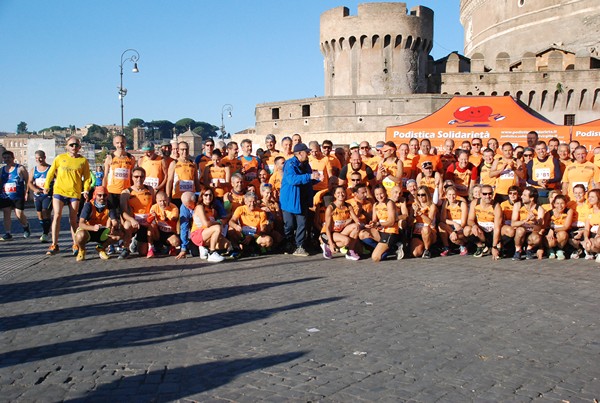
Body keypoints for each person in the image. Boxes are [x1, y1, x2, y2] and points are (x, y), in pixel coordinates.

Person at [44, 137, 91, 255]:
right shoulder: (60, 158)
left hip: (74, 192)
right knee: (57, 216)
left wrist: (86, 190)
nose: (74, 147)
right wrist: (46, 186)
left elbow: (87, 177)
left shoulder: (83, 161)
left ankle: (75, 243)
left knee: (73, 219)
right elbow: (50, 172)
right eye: (71, 145)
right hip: (59, 191)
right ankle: (54, 244)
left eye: (76, 145)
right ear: (67, 146)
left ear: (80, 147)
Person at [280, 143, 321, 256]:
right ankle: (289, 242)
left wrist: (316, 179)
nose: (308, 154)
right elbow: (292, 179)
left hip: (301, 199)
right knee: (289, 224)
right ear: (299, 153)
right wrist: (310, 177)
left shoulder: (306, 165)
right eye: (306, 152)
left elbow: (306, 181)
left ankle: (300, 246)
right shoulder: (290, 164)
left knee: (302, 223)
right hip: (290, 199)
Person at [73, 186, 122, 261]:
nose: (102, 197)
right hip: (88, 231)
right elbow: (81, 223)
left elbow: (114, 220)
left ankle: (101, 248)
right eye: (99, 195)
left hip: (102, 231)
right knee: (80, 235)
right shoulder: (89, 205)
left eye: (104, 195)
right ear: (95, 195)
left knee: (119, 234)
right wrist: (93, 227)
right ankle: (82, 250)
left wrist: (114, 226)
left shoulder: (110, 205)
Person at [120, 167, 155, 259]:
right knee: (127, 225)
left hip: (146, 222)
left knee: (142, 252)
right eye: (136, 176)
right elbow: (123, 212)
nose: (139, 179)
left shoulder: (150, 189)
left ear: (145, 177)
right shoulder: (126, 192)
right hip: (134, 222)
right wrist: (132, 220)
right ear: (132, 177)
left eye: (141, 177)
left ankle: (137, 241)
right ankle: (125, 248)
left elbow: (155, 205)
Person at [320, 185, 361, 260]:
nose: (341, 194)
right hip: (327, 233)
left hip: (340, 231)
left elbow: (356, 220)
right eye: (338, 193)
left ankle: (350, 252)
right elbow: (328, 228)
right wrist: (331, 243)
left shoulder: (348, 206)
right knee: (347, 241)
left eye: (342, 192)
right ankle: (327, 245)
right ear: (335, 195)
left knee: (356, 226)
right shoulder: (330, 208)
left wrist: (364, 224)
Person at [190, 187, 230, 261]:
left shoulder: (212, 209)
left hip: (207, 233)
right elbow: (207, 224)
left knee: (227, 244)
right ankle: (212, 252)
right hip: (197, 233)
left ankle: (204, 248)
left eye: (210, 195)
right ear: (202, 196)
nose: (208, 197)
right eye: (206, 195)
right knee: (217, 227)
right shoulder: (199, 207)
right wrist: (219, 222)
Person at [229, 191, 273, 255]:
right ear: (245, 202)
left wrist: (252, 236)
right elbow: (231, 221)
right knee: (231, 230)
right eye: (250, 202)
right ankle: (236, 248)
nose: (252, 204)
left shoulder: (261, 212)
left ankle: (255, 248)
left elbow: (263, 230)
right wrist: (236, 226)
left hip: (255, 235)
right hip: (242, 234)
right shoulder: (240, 209)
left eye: (254, 201)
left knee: (269, 240)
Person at [0, 150, 30, 240]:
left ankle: (25, 226)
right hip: (5, 196)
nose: (7, 159)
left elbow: (28, 181)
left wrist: (27, 192)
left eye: (8, 157)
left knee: (19, 214)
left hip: (18, 195)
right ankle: (8, 233)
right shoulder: (2, 170)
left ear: (13, 158)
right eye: (5, 158)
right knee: (6, 213)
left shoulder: (20, 168)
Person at [364, 184, 398, 261]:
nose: (379, 196)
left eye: (381, 193)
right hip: (380, 230)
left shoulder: (389, 203)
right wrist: (371, 224)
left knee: (375, 258)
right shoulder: (375, 204)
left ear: (385, 193)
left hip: (390, 231)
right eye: (377, 194)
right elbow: (374, 220)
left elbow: (391, 222)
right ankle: (385, 248)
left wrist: (378, 224)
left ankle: (392, 249)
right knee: (362, 234)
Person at [103, 134, 136, 213]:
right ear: (114, 144)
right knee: (112, 216)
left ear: (125, 143)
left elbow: (132, 176)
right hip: (112, 191)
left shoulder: (131, 158)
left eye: (122, 142)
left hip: (126, 191)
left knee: (125, 214)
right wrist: (103, 191)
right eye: (117, 143)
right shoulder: (110, 158)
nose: (120, 145)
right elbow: (105, 176)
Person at [464, 184, 497, 257]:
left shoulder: (496, 205)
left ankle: (495, 246)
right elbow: (470, 220)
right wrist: (474, 225)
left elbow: (498, 227)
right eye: (485, 194)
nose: (487, 196)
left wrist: (495, 246)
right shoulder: (474, 203)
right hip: (481, 231)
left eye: (490, 194)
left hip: (492, 232)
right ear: (481, 194)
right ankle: (481, 246)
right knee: (467, 230)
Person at [511, 186, 544, 260]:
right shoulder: (518, 205)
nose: (521, 196)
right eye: (522, 194)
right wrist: (524, 221)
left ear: (531, 198)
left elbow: (539, 228)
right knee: (520, 230)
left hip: (532, 232)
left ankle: (529, 249)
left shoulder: (539, 209)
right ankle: (518, 250)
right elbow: (513, 223)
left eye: (524, 195)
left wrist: (535, 221)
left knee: (536, 238)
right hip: (520, 232)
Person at [166, 141, 200, 209]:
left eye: (186, 149)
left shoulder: (193, 164)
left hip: (190, 197)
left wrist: (199, 195)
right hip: (177, 197)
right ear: (178, 150)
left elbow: (196, 181)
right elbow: (169, 181)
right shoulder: (174, 163)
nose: (185, 151)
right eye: (182, 149)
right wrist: (168, 197)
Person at [28, 150, 52, 242]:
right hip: (37, 195)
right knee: (40, 215)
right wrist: (34, 189)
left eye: (41, 158)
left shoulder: (50, 168)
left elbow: (58, 179)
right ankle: (46, 229)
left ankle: (45, 233)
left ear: (44, 157)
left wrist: (50, 188)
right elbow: (29, 182)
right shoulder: (34, 170)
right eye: (37, 158)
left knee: (46, 211)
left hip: (47, 195)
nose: (39, 160)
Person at [148, 190, 180, 257]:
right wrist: (152, 217)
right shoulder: (154, 207)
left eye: (164, 200)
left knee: (176, 242)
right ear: (156, 201)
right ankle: (150, 248)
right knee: (151, 225)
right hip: (158, 232)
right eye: (160, 201)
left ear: (168, 199)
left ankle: (170, 246)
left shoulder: (173, 208)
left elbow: (174, 218)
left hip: (169, 232)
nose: (163, 203)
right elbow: (148, 220)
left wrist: (166, 219)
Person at [438, 185, 468, 256]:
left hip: (460, 226)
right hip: (452, 226)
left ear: (456, 195)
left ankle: (462, 245)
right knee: (440, 225)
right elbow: (443, 219)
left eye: (454, 194)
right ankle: (446, 248)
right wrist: (453, 224)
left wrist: (456, 230)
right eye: (449, 194)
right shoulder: (446, 203)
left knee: (454, 239)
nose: (452, 197)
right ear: (446, 195)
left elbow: (463, 222)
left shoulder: (462, 204)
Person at [542, 195, 572, 260]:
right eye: (557, 203)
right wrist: (550, 231)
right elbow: (544, 226)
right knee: (550, 240)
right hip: (550, 233)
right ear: (554, 204)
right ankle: (550, 249)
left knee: (563, 234)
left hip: (561, 231)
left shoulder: (569, 211)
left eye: (562, 203)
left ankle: (559, 249)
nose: (560, 206)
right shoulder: (549, 213)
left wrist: (553, 230)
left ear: (566, 204)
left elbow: (566, 226)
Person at [176, 191, 196, 260]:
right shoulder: (184, 208)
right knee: (195, 253)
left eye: (189, 205)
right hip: (194, 227)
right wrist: (183, 248)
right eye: (186, 205)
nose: (187, 207)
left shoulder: (204, 198)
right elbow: (184, 227)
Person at [582, 189, 600, 262]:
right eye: (589, 196)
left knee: (598, 241)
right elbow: (586, 229)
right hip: (593, 233)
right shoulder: (589, 211)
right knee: (588, 245)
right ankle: (597, 252)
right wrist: (586, 238)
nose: (589, 199)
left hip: (598, 234)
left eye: (592, 197)